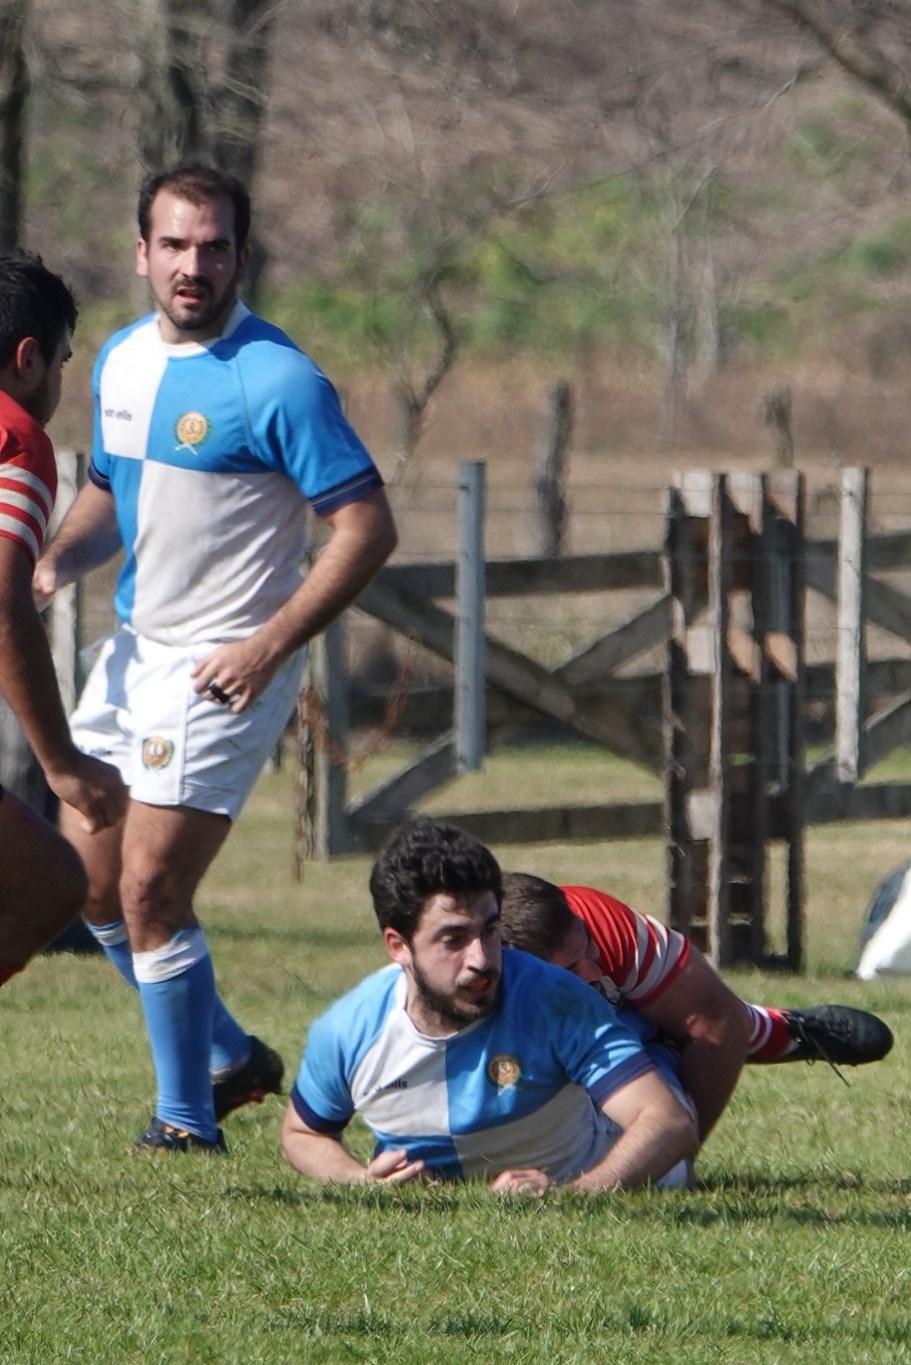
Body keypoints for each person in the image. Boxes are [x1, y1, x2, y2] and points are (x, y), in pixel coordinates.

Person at [33, 164, 398, 1153]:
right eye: (176, 246)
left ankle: (186, 1120)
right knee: (88, 885)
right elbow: (110, 491)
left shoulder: (276, 379)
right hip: (133, 655)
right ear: (142, 252)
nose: (194, 266)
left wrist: (269, 643)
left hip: (225, 669)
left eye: (215, 247)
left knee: (152, 890)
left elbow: (366, 527)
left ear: (242, 254)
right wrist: (55, 559)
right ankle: (229, 1058)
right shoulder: (118, 361)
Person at [282, 818, 697, 1192]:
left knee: (657, 1085)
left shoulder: (555, 999)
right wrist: (359, 1179)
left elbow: (668, 1122)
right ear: (398, 946)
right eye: (454, 939)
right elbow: (303, 1134)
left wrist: (576, 1192)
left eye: (491, 930)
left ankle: (656, 1044)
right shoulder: (348, 1030)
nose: (482, 958)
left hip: (592, 1148)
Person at [497, 874, 893, 1143]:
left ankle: (776, 1031)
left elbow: (717, 1025)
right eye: (570, 969)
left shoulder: (608, 930)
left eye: (588, 945)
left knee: (675, 1024)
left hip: (630, 1025)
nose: (595, 965)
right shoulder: (466, 981)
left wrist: (673, 1158)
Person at [0, 251, 128, 988]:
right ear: (27, 358)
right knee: (52, 881)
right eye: (61, 364)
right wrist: (61, 762)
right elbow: (4, 602)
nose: (58, 384)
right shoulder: (15, 435)